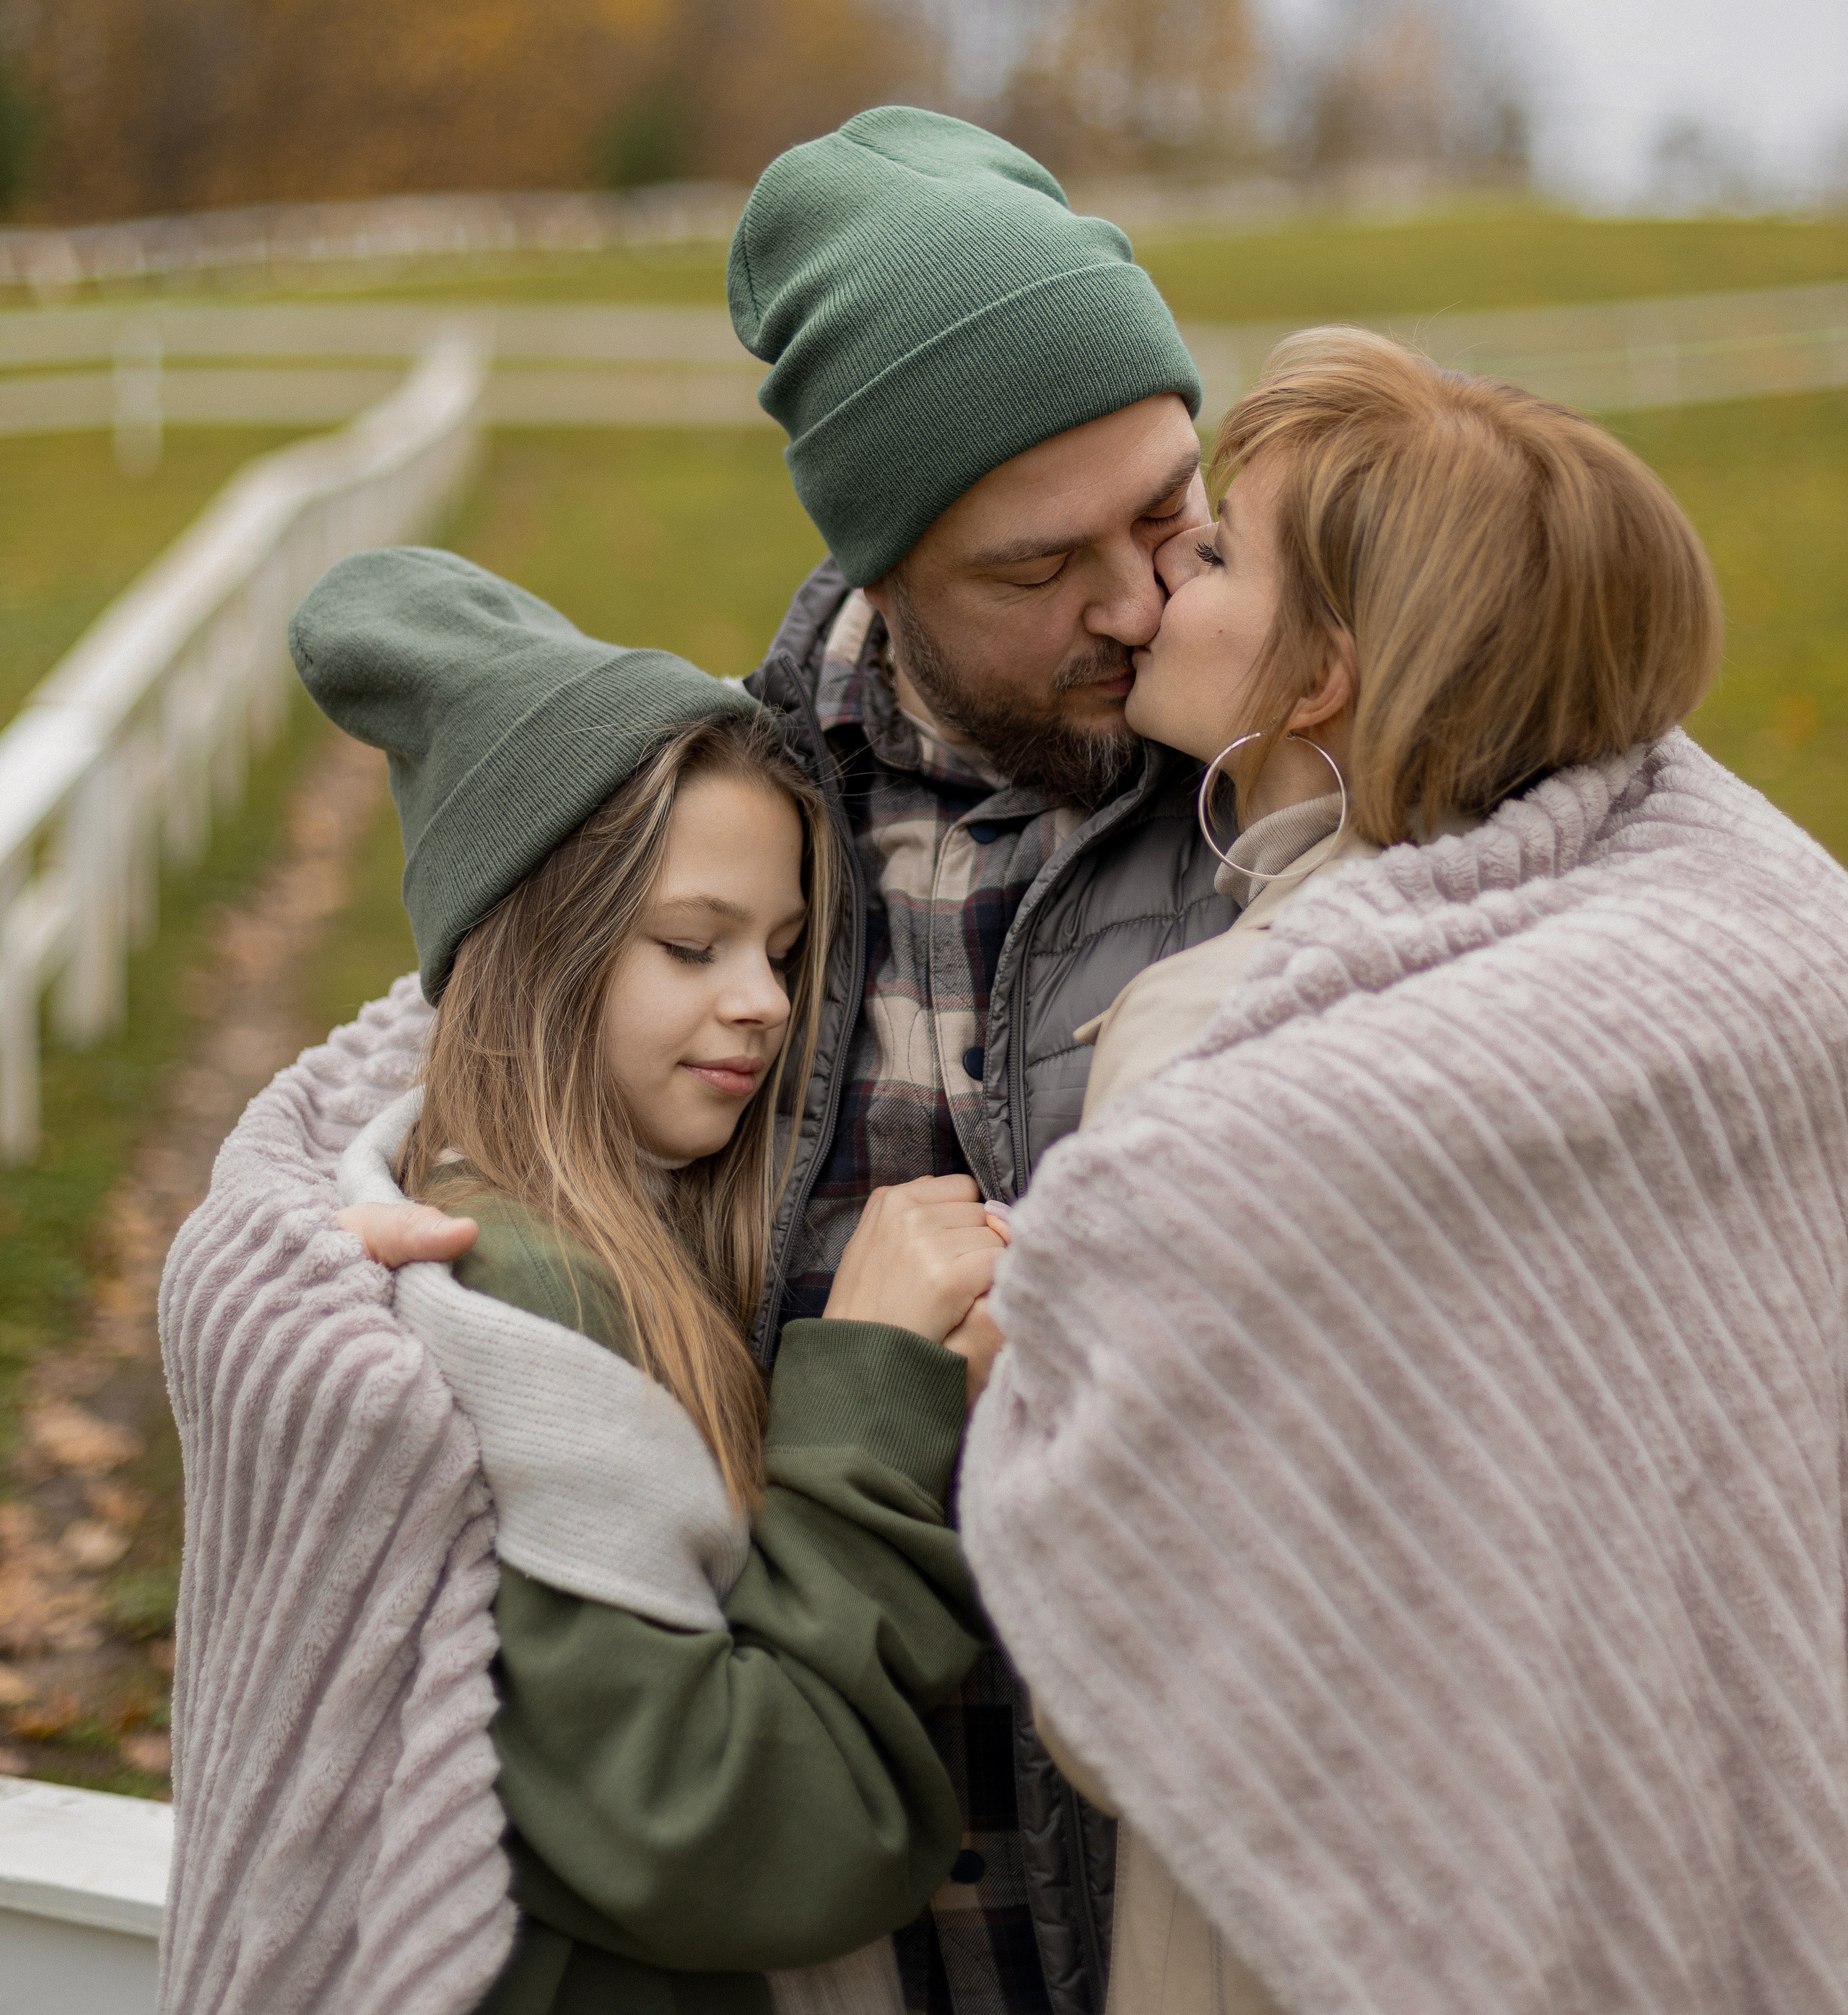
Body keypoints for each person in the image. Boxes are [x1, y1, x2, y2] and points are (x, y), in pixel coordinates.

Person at [344, 105, 1236, 2015]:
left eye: (1173, 509)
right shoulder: (735, 833)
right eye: (1043, 565)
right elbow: (466, 1073)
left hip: (1199, 1907)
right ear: (883, 561)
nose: (1145, 605)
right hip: (833, 1920)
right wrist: (298, 1231)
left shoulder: (1308, 798)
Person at [957, 329, 1848, 2015]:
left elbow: (1119, 1674)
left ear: (1316, 682)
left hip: (1308, 1934)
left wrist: (997, 1376)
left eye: (1211, 553)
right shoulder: (1657, 982)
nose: (1152, 586)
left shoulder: (1226, 1052)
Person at [160, 547, 1011, 2015]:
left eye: (785, 950)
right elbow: (752, 1834)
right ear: (539, 951)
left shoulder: (564, 1217)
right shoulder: (522, 1298)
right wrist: (867, 1394)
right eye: (690, 945)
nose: (758, 999)